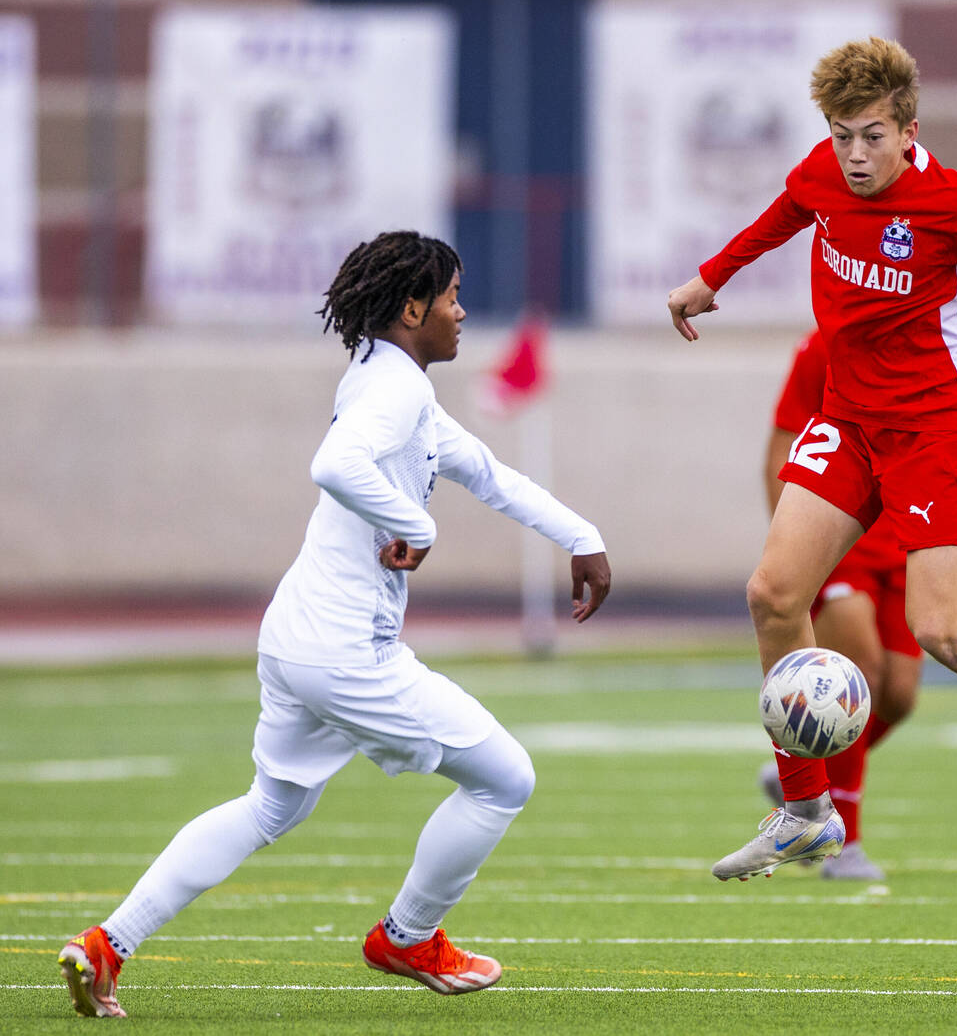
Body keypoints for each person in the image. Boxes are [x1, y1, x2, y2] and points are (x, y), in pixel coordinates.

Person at [57, 231, 612, 1017]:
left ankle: (108, 942)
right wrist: (416, 529)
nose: (461, 312)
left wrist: (581, 536)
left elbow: (489, 475)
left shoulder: (394, 383)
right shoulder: (395, 391)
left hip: (296, 639)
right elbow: (334, 463)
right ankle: (410, 935)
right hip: (347, 652)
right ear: (412, 307)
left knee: (268, 807)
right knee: (505, 777)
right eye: (451, 297)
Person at [667, 36, 957, 883]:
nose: (853, 154)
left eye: (871, 135)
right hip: (850, 415)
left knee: (939, 630)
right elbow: (784, 212)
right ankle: (806, 814)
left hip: (940, 426)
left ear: (909, 129)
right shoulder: (823, 171)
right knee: (773, 594)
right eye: (842, 134)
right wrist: (710, 278)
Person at [759, 329, 922, 881]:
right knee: (863, 672)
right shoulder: (824, 345)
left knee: (899, 697)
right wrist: (795, 551)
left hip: (906, 534)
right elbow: (781, 449)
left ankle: (807, 773)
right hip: (843, 538)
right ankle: (841, 843)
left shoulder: (939, 343)